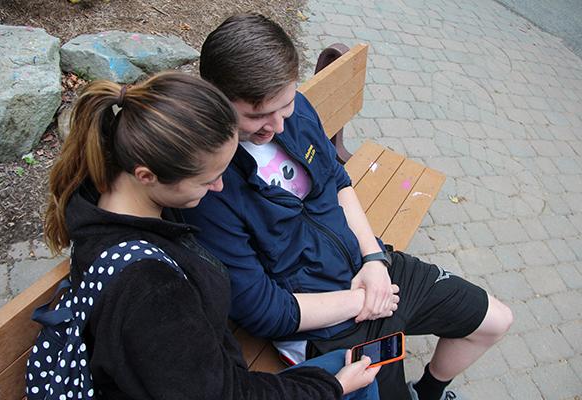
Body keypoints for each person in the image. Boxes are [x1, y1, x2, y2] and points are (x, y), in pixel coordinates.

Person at [181, 14, 514, 400]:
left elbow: (337, 182)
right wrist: (362, 301)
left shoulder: (299, 111)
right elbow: (264, 310)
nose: (278, 126)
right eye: (256, 116)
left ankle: (427, 392)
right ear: (216, 100)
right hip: (325, 325)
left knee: (495, 321)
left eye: (285, 105)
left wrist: (373, 259)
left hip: (370, 271)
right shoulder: (211, 183)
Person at [42, 70, 380, 399]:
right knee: (363, 375)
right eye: (208, 180)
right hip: (219, 380)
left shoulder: (114, 196)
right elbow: (222, 391)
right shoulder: (150, 290)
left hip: (195, 369)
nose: (219, 187)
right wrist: (331, 389)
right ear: (146, 175)